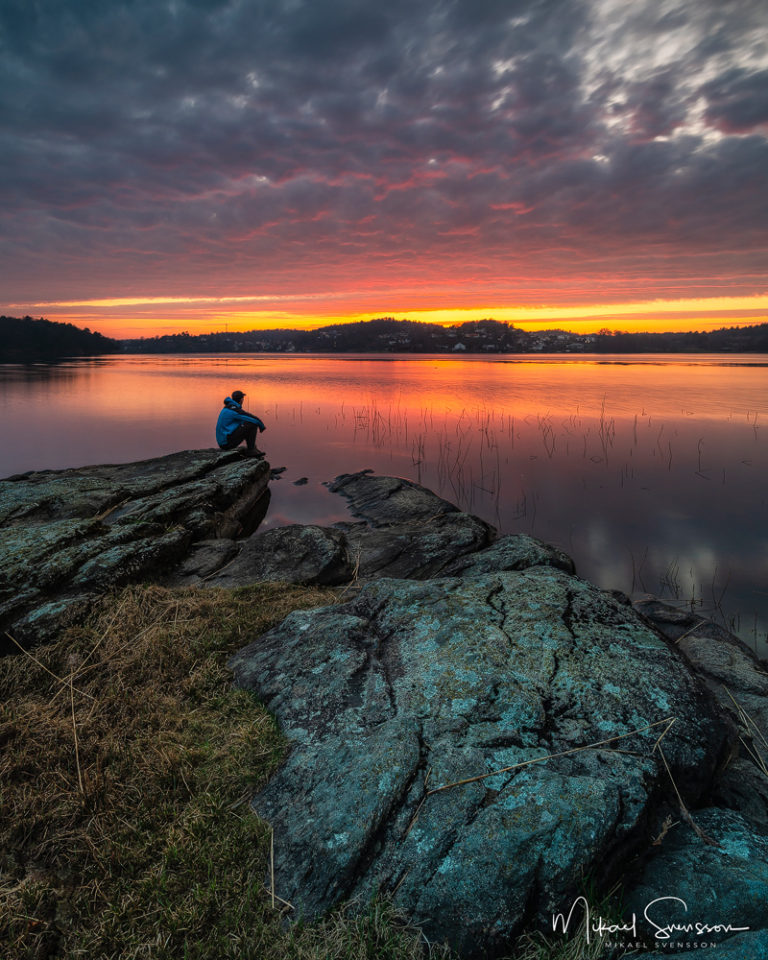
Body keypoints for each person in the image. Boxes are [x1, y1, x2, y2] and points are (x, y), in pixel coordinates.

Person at [216, 390, 266, 455]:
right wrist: (261, 425)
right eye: (243, 398)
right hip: (226, 443)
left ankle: (252, 448)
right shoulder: (234, 410)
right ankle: (251, 450)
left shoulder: (229, 407)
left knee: (247, 423)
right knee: (252, 424)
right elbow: (251, 418)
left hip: (223, 442)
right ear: (241, 400)